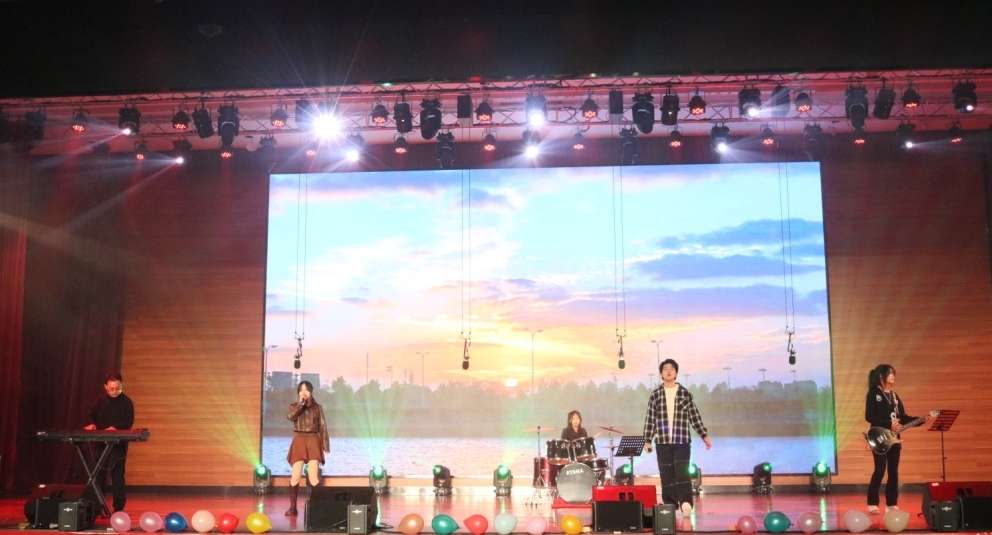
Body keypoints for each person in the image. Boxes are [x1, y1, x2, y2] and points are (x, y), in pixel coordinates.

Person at [642, 359, 711, 516]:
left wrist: (704, 435)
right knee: (666, 474)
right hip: (662, 441)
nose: (668, 371)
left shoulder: (685, 394)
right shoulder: (655, 395)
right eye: (665, 369)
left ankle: (685, 503)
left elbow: (694, 416)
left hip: (682, 440)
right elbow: (650, 419)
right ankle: (670, 504)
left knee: (682, 472)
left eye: (672, 369)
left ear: (676, 373)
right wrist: (647, 440)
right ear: (661, 374)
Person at [865, 364, 930, 514]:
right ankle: (872, 503)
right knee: (880, 470)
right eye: (890, 374)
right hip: (879, 437)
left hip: (894, 439)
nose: (893, 376)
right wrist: (889, 424)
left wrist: (921, 420)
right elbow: (869, 416)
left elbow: (903, 417)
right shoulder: (874, 393)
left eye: (894, 374)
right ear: (881, 376)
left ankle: (891, 503)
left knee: (893, 471)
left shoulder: (894, 396)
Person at [83, 372, 135, 513]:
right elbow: (91, 416)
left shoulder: (127, 402)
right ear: (105, 387)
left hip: (118, 445)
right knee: (98, 475)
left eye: (118, 388)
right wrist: (92, 424)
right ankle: (96, 507)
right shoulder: (99, 402)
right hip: (100, 444)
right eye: (112, 389)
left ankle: (119, 508)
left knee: (117, 475)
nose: (115, 391)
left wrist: (115, 428)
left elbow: (128, 421)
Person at [285, 380, 330, 516]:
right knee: (295, 476)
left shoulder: (318, 408)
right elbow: (290, 417)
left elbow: (322, 427)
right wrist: (301, 404)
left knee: (313, 477)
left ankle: (318, 506)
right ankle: (293, 508)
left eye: (306, 390)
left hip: (312, 440)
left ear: (311, 391)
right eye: (301, 390)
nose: (303, 392)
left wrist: (325, 444)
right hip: (299, 440)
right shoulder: (294, 406)